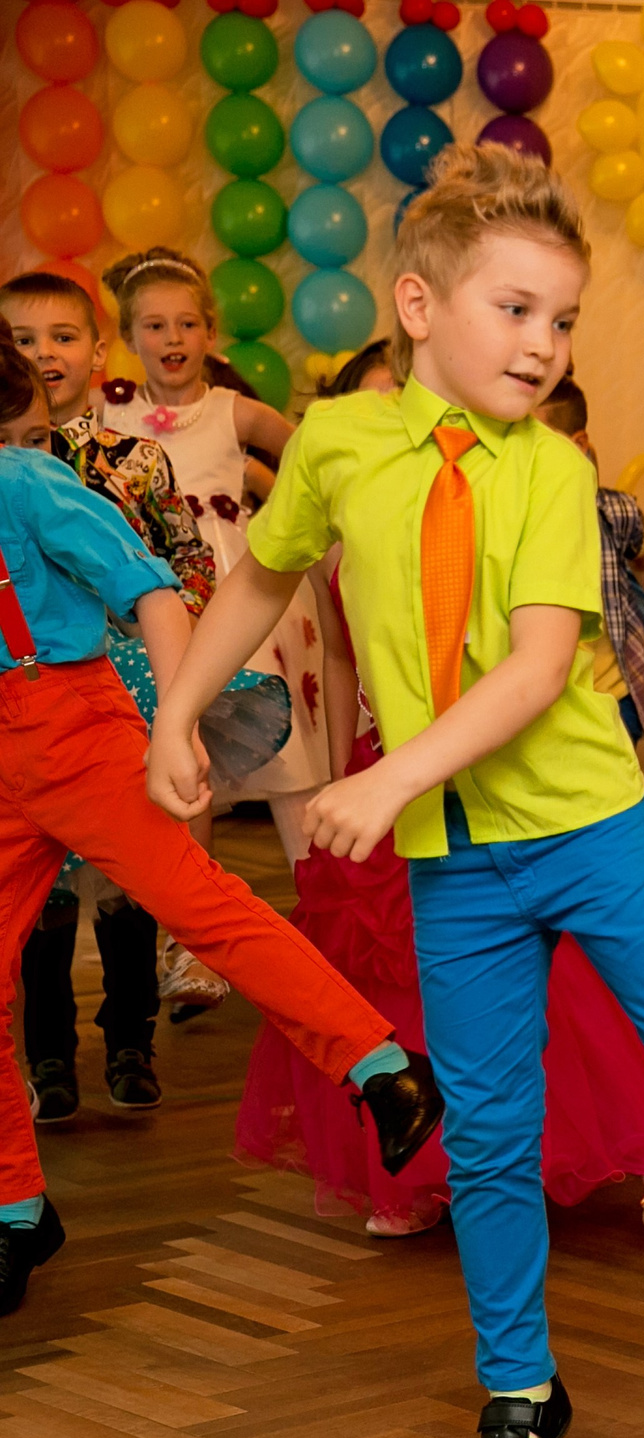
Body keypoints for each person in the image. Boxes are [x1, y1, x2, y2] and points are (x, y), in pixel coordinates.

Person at [147, 145, 644, 1438]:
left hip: (588, 827)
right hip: (455, 861)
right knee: (486, 1137)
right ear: (418, 306)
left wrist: (384, 777)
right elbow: (266, 572)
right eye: (517, 309)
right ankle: (519, 1392)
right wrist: (178, 705)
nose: (543, 344)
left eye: (564, 319)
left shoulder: (549, 469)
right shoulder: (339, 442)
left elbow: (537, 668)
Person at [0, 347, 438, 1318]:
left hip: (75, 731)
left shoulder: (23, 482)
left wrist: (173, 725)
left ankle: (379, 1064)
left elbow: (151, 589)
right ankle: (17, 1206)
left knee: (204, 907)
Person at [234, 357, 644, 1242]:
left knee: (567, 964)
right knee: (404, 984)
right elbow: (341, 659)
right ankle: (429, 1171)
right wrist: (347, 772)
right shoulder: (333, 518)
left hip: (498, 765)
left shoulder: (510, 490)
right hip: (387, 776)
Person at [3, 270, 217, 1115]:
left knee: (131, 878)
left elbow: (189, 562)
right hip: (28, 699)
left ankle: (132, 1038)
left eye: (61, 337)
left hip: (119, 689)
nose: (41, 354)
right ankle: (49, 1057)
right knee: (41, 894)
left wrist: (171, 661)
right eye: (21, 340)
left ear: (97, 352)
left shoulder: (130, 459)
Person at [96, 250, 323, 1014]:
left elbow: (309, 453)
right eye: (154, 325)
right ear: (129, 336)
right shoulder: (109, 413)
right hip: (156, 602)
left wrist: (293, 515)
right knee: (186, 758)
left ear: (210, 331)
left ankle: (326, 919)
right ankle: (192, 948)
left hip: (236, 595)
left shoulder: (232, 409)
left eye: (187, 323)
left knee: (287, 760)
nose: (172, 337)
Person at [532, 375, 644, 741]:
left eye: (535, 445)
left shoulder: (613, 512)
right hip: (545, 696)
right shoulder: (510, 519)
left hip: (612, 692)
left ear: (579, 445)